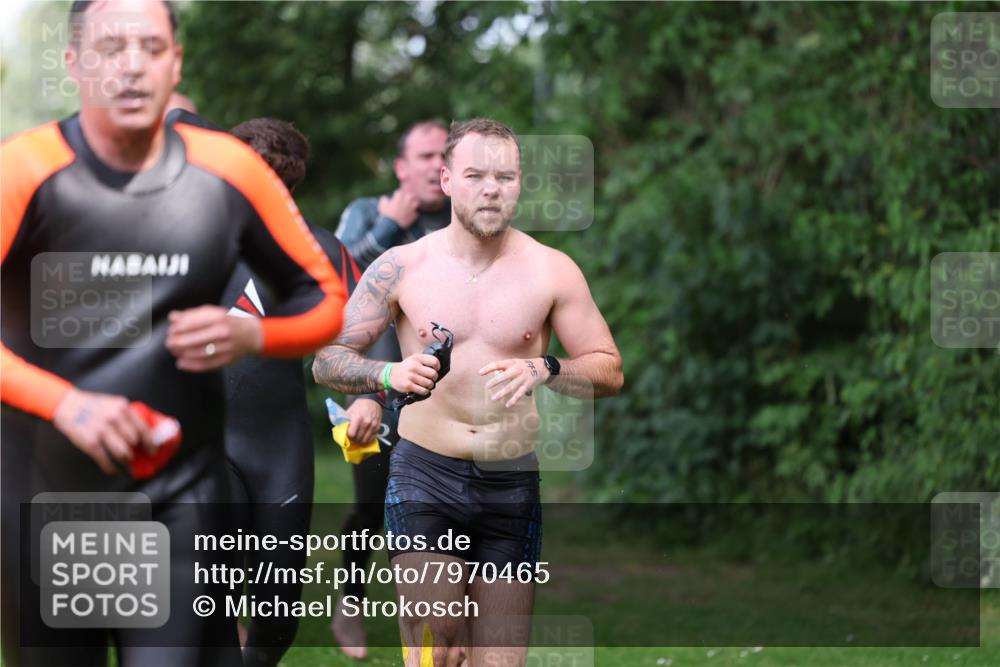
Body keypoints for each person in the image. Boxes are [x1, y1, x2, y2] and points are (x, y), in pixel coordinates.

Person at [0, 2, 346, 666]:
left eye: (151, 48)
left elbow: (324, 298)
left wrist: (254, 338)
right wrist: (64, 402)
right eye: (111, 48)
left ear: (174, 63)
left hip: (182, 490)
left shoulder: (227, 183)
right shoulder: (25, 173)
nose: (133, 69)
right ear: (74, 62)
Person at [313, 118, 623, 667]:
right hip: (426, 472)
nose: (491, 188)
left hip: (511, 479)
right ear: (447, 178)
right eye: (476, 174)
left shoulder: (552, 270)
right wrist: (388, 376)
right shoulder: (401, 267)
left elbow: (609, 370)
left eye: (505, 176)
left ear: (520, 184)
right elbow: (327, 359)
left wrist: (546, 367)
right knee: (440, 651)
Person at [224, 116, 362, 667]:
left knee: (279, 609)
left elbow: (364, 334)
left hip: (278, 446)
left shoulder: (322, 250)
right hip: (206, 441)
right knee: (212, 590)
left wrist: (369, 396)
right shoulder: (187, 240)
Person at [331, 119, 450, 659]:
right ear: (401, 167)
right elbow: (332, 285)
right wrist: (384, 227)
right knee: (372, 506)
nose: (434, 164)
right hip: (368, 386)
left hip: (440, 392)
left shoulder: (459, 218)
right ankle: (350, 599)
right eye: (424, 156)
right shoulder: (366, 212)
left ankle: (437, 632)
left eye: (442, 155)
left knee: (439, 512)